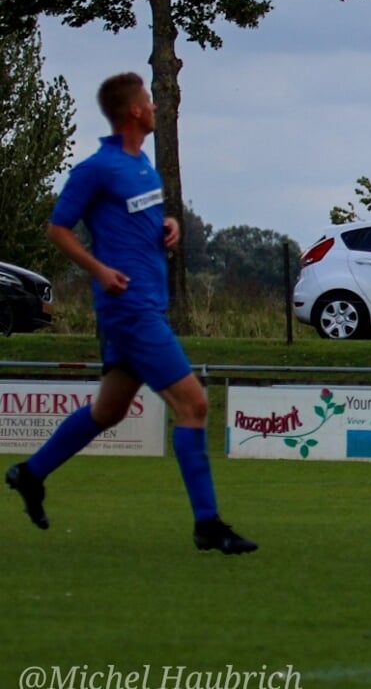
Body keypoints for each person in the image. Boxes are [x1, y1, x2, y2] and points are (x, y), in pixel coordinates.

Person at [4, 72, 257, 555]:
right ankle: (208, 524)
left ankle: (30, 473)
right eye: (149, 101)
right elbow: (57, 229)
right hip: (131, 309)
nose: (155, 108)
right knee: (194, 405)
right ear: (134, 112)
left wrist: (168, 225)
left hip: (142, 306)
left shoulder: (143, 166)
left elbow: (133, 223)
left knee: (110, 410)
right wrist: (99, 270)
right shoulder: (97, 168)